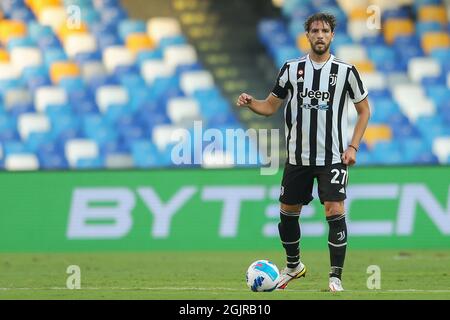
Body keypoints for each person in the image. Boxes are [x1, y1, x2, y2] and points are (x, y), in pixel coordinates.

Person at [236, 13, 370, 292]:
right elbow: (270, 106)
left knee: (334, 210)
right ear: (307, 36)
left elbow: (364, 110)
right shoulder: (290, 69)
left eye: (324, 31)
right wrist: (251, 103)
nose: (320, 35)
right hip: (298, 158)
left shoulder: (346, 72)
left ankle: (335, 277)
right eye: (314, 31)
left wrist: (353, 146)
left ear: (332, 36)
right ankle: (293, 266)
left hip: (332, 156)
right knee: (287, 213)